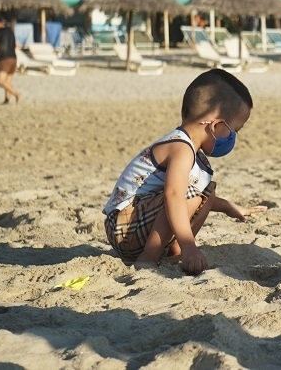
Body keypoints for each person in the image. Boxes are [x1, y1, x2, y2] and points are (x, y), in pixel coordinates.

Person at [103, 69, 267, 274]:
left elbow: (196, 197)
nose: (234, 136)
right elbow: (174, 195)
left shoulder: (190, 149)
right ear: (216, 125)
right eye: (235, 130)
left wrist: (229, 207)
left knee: (207, 191)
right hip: (124, 227)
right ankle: (150, 256)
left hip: (137, 224)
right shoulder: (181, 148)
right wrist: (191, 246)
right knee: (188, 194)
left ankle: (175, 250)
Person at [0, 17, 21, 104]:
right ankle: (6, 100)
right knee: (8, 81)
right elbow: (15, 45)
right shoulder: (11, 32)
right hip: (13, 58)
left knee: (0, 81)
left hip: (4, 59)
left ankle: (16, 94)